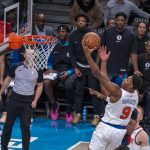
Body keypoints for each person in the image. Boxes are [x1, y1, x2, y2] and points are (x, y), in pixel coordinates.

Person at [82, 45, 143, 149]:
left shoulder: (117, 92)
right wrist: (104, 62)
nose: (124, 80)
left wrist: (88, 55)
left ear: (131, 86)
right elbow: (105, 80)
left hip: (106, 128)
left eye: (127, 79)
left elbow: (98, 75)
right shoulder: (136, 95)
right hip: (119, 132)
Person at [0, 50, 43, 150]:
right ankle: (4, 147)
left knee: (25, 128)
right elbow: (7, 79)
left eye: (33, 54)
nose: (31, 56)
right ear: (24, 55)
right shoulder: (16, 66)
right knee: (8, 125)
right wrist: (0, 92)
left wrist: (35, 100)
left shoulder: (38, 70)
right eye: (29, 53)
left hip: (27, 102)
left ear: (35, 56)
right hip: (14, 99)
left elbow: (40, 86)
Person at [69, 13, 103, 126]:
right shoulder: (72, 35)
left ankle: (96, 115)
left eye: (83, 20)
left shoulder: (93, 35)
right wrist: (75, 68)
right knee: (78, 92)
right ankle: (77, 113)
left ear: (87, 22)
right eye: (79, 20)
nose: (81, 22)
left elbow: (99, 52)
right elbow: (72, 54)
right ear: (76, 22)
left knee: (94, 92)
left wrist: (96, 67)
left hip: (91, 68)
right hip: (80, 67)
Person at [44, 25, 76, 123]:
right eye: (60, 32)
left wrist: (69, 72)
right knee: (46, 82)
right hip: (55, 71)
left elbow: (76, 63)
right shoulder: (53, 44)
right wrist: (50, 68)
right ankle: (54, 104)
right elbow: (49, 60)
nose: (61, 33)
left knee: (69, 85)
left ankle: (69, 109)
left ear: (67, 33)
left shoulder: (72, 45)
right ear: (57, 33)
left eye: (64, 31)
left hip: (69, 71)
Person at [102, 12, 142, 86]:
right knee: (106, 92)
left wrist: (136, 69)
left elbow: (133, 53)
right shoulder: (107, 32)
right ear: (115, 20)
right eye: (118, 20)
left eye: (122, 20)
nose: (120, 22)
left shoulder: (131, 35)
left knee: (121, 93)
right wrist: (96, 64)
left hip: (122, 70)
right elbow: (102, 49)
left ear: (125, 21)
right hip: (108, 69)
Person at [138, 38, 150, 126]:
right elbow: (135, 75)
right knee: (132, 92)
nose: (149, 47)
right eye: (148, 45)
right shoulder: (140, 57)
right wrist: (137, 90)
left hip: (149, 87)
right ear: (145, 46)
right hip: (141, 85)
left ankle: (146, 119)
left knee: (149, 95)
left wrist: (143, 93)